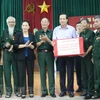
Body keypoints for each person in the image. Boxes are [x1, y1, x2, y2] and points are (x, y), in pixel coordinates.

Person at [52, 14, 77, 97]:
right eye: (60, 19)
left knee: (70, 72)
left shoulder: (72, 29)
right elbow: (54, 41)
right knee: (62, 73)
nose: (62, 20)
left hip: (70, 55)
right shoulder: (56, 29)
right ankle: (63, 90)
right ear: (59, 20)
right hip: (60, 55)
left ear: (67, 20)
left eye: (63, 19)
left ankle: (70, 90)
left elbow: (75, 40)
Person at [14, 20, 36, 98]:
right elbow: (15, 46)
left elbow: (34, 46)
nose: (25, 27)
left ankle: (31, 91)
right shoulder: (18, 35)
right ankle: (23, 91)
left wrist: (30, 46)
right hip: (20, 58)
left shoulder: (32, 35)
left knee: (30, 74)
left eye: (26, 25)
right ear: (21, 26)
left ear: (29, 27)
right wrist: (24, 45)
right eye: (23, 25)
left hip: (30, 57)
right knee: (21, 74)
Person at [35, 18, 56, 98]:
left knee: (51, 73)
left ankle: (52, 91)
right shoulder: (37, 33)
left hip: (50, 53)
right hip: (41, 54)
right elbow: (36, 44)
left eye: (45, 22)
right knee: (42, 73)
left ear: (48, 23)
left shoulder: (52, 32)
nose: (43, 23)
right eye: (42, 22)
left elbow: (54, 43)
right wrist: (42, 41)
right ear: (40, 23)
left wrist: (47, 39)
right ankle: (44, 91)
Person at [1, 16, 20, 98]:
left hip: (15, 53)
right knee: (7, 73)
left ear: (15, 23)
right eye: (9, 22)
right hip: (6, 54)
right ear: (7, 23)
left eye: (12, 22)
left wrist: (13, 46)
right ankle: (8, 91)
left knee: (16, 73)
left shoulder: (18, 31)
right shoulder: (4, 31)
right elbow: (1, 43)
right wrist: (5, 45)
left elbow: (20, 42)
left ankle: (17, 91)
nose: (11, 23)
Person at [79, 18, 95, 99]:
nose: (83, 24)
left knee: (90, 74)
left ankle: (90, 91)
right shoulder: (81, 33)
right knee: (84, 74)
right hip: (82, 56)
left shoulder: (91, 33)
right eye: (82, 23)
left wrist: (86, 53)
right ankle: (85, 90)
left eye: (85, 23)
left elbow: (91, 45)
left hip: (88, 56)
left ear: (88, 24)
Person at [92, 15, 100, 99]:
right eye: (94, 22)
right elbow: (94, 46)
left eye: (97, 22)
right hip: (96, 59)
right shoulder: (96, 33)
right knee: (97, 76)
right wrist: (92, 56)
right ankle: (98, 93)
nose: (95, 23)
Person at [74, 22, 83, 92]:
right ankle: (80, 86)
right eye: (77, 26)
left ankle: (85, 86)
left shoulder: (84, 34)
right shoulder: (74, 35)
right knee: (78, 71)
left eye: (80, 26)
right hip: (76, 56)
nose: (79, 27)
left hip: (84, 55)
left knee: (85, 72)